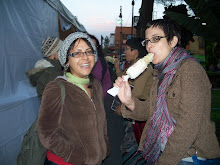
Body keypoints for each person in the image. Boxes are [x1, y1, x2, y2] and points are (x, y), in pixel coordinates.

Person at [114, 19, 220, 165]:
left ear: (172, 41)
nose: (149, 45)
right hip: (167, 153)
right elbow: (150, 111)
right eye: (147, 41)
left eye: (155, 39)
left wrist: (164, 162)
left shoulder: (190, 70)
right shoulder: (161, 74)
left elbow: (188, 127)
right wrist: (129, 101)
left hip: (192, 157)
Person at [38, 32, 109, 165]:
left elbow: (102, 122)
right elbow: (47, 134)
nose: (85, 57)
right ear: (66, 60)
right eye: (77, 53)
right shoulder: (56, 88)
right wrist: (77, 157)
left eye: (89, 52)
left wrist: (104, 146)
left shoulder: (96, 85)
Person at [114, 37, 153, 164]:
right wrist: (118, 69)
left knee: (133, 150)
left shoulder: (144, 68)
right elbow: (123, 82)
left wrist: (124, 105)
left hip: (138, 114)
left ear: (135, 51)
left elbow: (137, 93)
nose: (124, 52)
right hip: (131, 112)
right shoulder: (133, 67)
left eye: (127, 49)